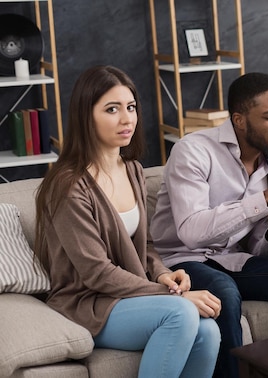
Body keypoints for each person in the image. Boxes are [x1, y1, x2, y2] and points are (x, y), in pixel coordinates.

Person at [34, 65, 221, 378]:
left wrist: (163, 274)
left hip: (128, 296)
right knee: (181, 314)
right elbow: (96, 273)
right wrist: (172, 296)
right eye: (112, 109)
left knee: (209, 332)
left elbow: (145, 244)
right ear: (86, 115)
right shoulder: (67, 185)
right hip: (86, 303)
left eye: (131, 107)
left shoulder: (132, 169)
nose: (126, 119)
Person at [150, 72, 268, 377]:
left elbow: (251, 245)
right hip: (182, 261)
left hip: (229, 259)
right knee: (224, 294)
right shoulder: (193, 151)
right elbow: (191, 233)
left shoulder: (267, 164)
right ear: (239, 121)